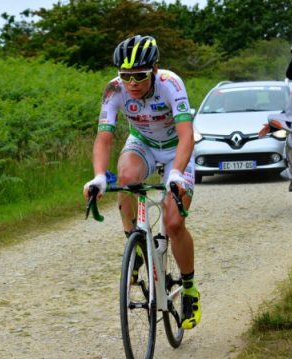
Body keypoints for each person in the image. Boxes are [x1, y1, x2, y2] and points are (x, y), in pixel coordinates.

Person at [82, 35, 201, 330]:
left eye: (139, 76)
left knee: (174, 224)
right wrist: (98, 175)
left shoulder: (171, 84)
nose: (131, 83)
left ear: (155, 70)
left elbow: (187, 134)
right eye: (125, 76)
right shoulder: (114, 90)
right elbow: (105, 136)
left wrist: (176, 173)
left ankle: (188, 288)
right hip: (144, 143)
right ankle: (134, 245)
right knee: (125, 178)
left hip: (176, 148)